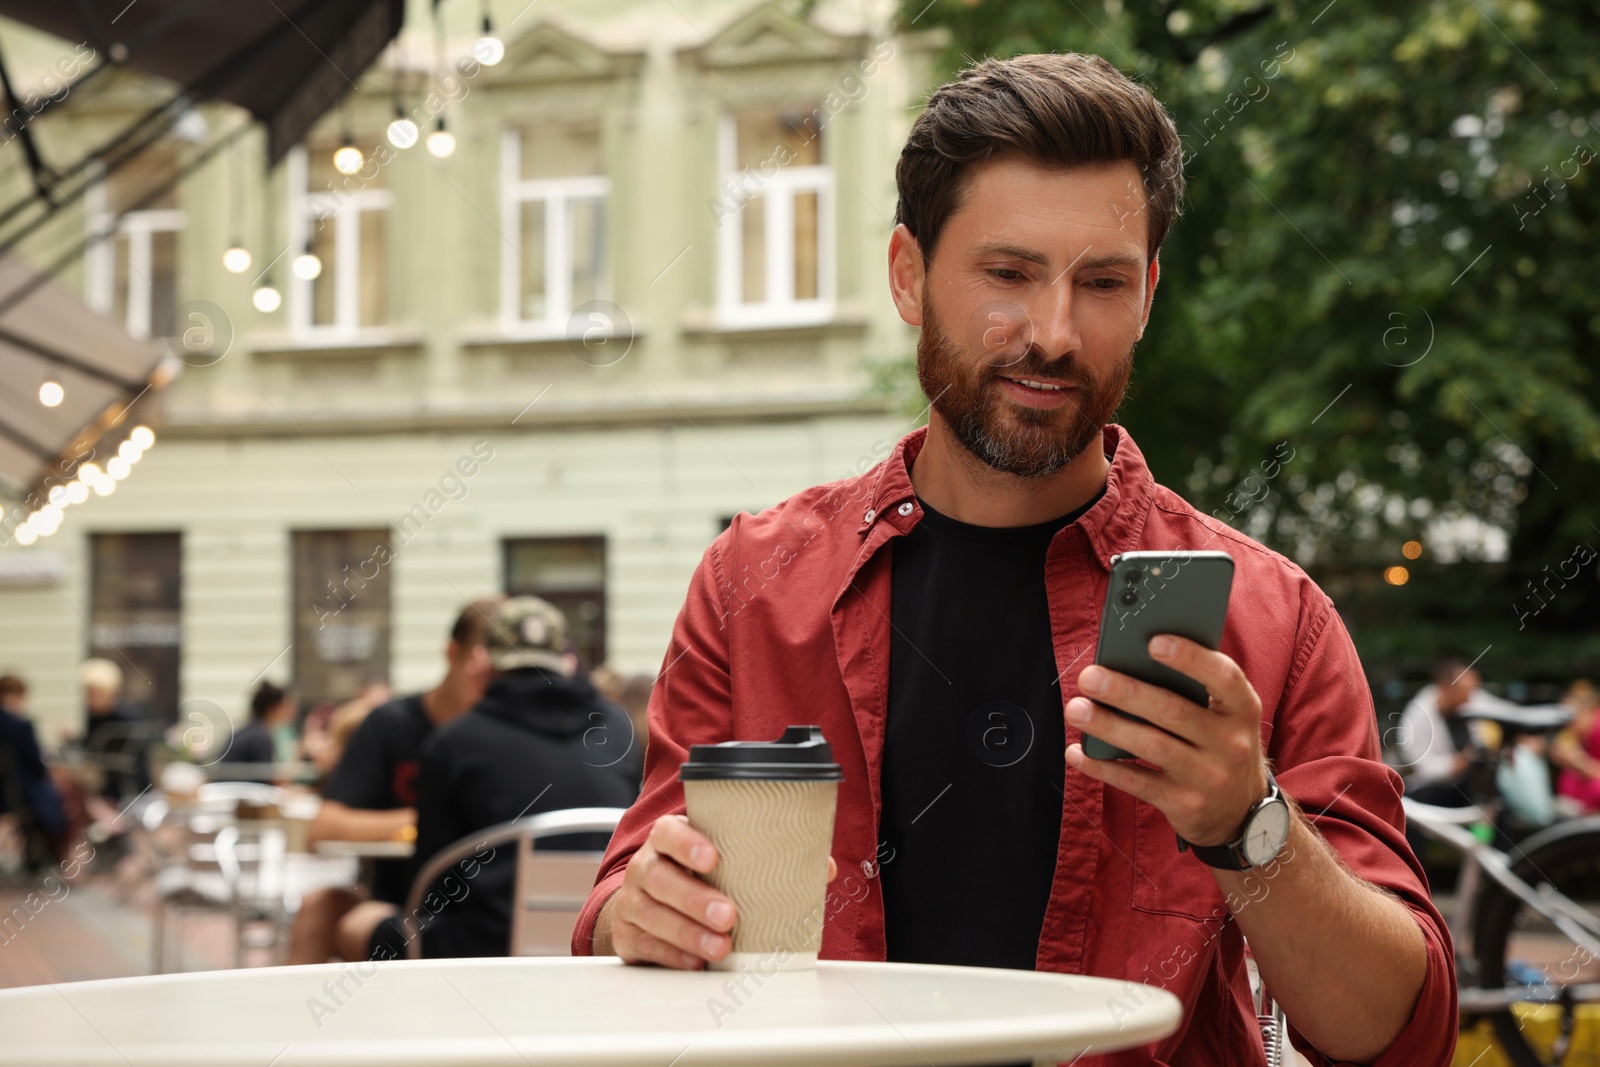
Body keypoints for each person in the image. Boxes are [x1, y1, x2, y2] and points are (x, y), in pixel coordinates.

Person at [574, 54, 1455, 1067]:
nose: (1052, 332)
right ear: (908, 274)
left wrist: (1245, 822)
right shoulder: (750, 585)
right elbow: (624, 911)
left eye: (1102, 282)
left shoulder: (1272, 617)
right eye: (1008, 274)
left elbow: (1398, 1032)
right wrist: (642, 915)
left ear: (1148, 295)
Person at [384, 597, 642, 959]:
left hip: (483, 956)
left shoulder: (454, 741)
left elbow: (429, 891)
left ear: (484, 664)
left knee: (362, 921)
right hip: (597, 945)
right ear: (566, 662)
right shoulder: (618, 729)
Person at [284, 600, 498, 965]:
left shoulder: (503, 736)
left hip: (483, 906)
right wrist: (426, 820)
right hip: (394, 900)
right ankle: (294, 1020)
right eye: (482, 670)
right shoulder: (392, 725)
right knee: (319, 907)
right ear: (454, 654)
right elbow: (323, 826)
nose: (490, 684)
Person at [1393, 657, 1510, 806]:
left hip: (1470, 784)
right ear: (1446, 687)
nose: (1470, 699)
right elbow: (1423, 768)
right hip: (1433, 790)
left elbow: (1504, 712)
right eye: (1465, 693)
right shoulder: (1417, 716)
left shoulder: (1472, 699)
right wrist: (1461, 761)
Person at [0, 674, 67, 867]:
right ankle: (63, 858)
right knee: (69, 794)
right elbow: (37, 767)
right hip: (22, 796)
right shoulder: (20, 726)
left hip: (5, 796)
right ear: (17, 696)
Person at [79, 658, 150, 801]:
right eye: (89, 693)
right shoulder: (91, 718)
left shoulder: (126, 720)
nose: (91, 698)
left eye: (97, 693)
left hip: (126, 789)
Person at [219, 681, 298, 782]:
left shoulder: (249, 731)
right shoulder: (259, 737)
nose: (291, 711)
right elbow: (268, 779)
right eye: (285, 706)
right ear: (272, 708)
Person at [1553, 680, 1600, 815]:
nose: (1567, 724)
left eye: (1570, 717)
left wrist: (1579, 762)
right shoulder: (1580, 735)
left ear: (1587, 711)